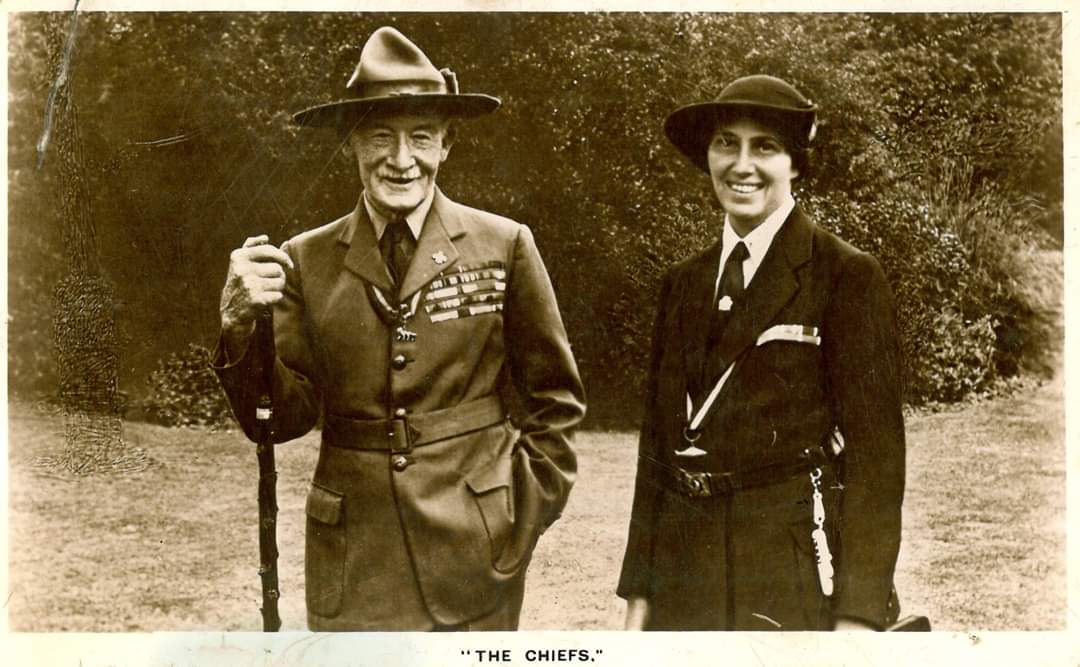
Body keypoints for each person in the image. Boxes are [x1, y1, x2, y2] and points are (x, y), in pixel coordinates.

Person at [212, 26, 585, 631]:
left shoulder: (505, 244)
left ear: (446, 145)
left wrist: (521, 511)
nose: (401, 159)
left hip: (476, 553)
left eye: (421, 137)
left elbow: (556, 401)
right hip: (354, 560)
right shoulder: (306, 259)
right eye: (380, 135)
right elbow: (279, 419)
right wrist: (238, 328)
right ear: (352, 143)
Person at [617, 75, 905, 631]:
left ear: (795, 164)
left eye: (765, 146)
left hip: (788, 574)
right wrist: (640, 596)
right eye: (726, 143)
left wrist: (858, 618)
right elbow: (656, 451)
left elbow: (877, 462)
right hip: (683, 578)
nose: (741, 165)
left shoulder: (845, 274)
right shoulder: (683, 282)